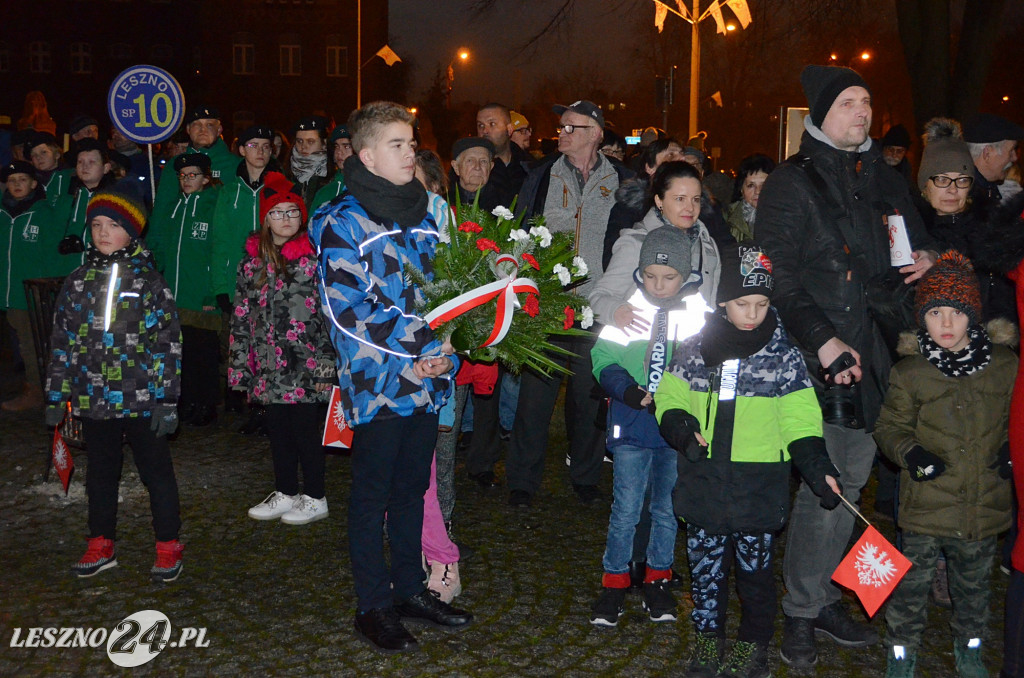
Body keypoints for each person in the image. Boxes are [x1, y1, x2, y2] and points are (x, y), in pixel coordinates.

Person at [756, 64, 936, 669]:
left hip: (882, 354)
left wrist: (927, 253)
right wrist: (824, 341)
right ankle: (801, 614)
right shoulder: (790, 183)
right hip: (821, 360)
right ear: (821, 114)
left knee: (855, 483)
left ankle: (830, 594)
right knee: (826, 487)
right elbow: (773, 272)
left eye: (868, 100)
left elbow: (908, 239)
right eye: (851, 102)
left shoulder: (881, 176)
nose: (864, 112)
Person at [309, 101, 471, 653]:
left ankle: (409, 589)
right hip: (377, 384)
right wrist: (424, 343)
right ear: (367, 154)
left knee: (412, 489)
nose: (411, 153)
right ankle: (373, 605)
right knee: (372, 495)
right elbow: (347, 309)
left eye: (411, 142)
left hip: (430, 379)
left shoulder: (430, 212)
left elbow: (452, 294)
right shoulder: (341, 220)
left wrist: (448, 352)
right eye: (398, 145)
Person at [657, 243, 842, 678]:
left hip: (757, 486)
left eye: (762, 304)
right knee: (705, 576)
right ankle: (707, 645)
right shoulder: (694, 347)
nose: (753, 313)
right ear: (723, 302)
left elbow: (799, 417)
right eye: (743, 304)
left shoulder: (784, 356)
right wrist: (681, 426)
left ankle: (750, 647)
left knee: (755, 580)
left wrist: (815, 464)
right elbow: (669, 394)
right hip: (704, 479)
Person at [873, 252, 1015, 677]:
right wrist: (911, 454)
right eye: (936, 313)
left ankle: (970, 649)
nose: (947, 324)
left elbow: (1017, 420)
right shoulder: (912, 372)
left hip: (982, 505)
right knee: (909, 589)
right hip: (926, 508)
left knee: (974, 590)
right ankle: (901, 653)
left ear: (973, 316)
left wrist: (1011, 454)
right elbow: (890, 427)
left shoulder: (1005, 366)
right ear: (923, 319)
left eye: (957, 312)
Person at [43, 186, 184, 583]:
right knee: (101, 472)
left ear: (133, 232)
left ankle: (168, 543)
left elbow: (168, 344)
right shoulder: (76, 282)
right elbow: (62, 341)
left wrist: (167, 399)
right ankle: (101, 540)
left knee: (155, 471)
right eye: (96, 225)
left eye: (114, 225)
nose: (103, 232)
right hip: (94, 398)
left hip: (141, 398)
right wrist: (57, 394)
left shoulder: (149, 282)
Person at [509, 99, 635, 507]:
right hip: (546, 305)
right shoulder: (541, 174)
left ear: (596, 133)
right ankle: (522, 483)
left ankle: (585, 477)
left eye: (572, 127)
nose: (561, 133)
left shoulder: (624, 180)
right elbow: (521, 230)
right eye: (560, 127)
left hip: (598, 305)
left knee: (588, 400)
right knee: (534, 401)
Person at [588, 226, 710, 628]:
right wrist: (626, 391)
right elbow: (603, 359)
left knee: (666, 509)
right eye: (651, 276)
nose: (658, 286)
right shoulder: (628, 309)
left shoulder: (698, 316)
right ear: (640, 273)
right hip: (633, 426)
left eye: (669, 277)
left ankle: (658, 577)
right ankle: (615, 581)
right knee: (625, 508)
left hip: (674, 433)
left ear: (686, 275)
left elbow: (707, 371)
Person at [229, 172, 335, 525]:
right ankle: (286, 490)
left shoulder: (314, 262)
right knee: (278, 433)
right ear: (265, 219)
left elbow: (328, 317)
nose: (286, 219)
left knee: (307, 433)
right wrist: (241, 366)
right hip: (268, 366)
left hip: (304, 366)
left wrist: (325, 367)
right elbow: (242, 316)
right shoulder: (252, 264)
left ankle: (316, 495)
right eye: (278, 212)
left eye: (293, 212)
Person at [590, 161, 720, 333]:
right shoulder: (637, 243)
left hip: (692, 351)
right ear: (659, 200)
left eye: (695, 199)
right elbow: (598, 297)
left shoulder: (706, 243)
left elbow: (712, 302)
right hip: (642, 349)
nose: (690, 208)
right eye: (680, 199)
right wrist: (616, 311)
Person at [146, 153, 223, 427]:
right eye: (183, 175)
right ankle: (187, 400)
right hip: (174, 296)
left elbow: (219, 251)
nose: (188, 180)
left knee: (204, 353)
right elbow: (162, 249)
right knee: (181, 354)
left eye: (193, 175)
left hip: (201, 295)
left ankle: (207, 403)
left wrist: (214, 292)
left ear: (205, 178)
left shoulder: (214, 206)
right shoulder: (172, 209)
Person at [916, 117, 1015, 324]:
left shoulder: (992, 230)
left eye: (961, 180)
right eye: (942, 180)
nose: (952, 189)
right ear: (926, 185)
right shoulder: (913, 235)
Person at [0, 160, 63, 411]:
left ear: (34, 184)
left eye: (22, 180)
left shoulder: (44, 213)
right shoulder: (2, 214)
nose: (17, 184)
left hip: (27, 293)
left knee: (31, 344)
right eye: (12, 180)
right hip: (5, 291)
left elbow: (52, 253)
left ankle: (37, 391)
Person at [602, 138, 685, 270]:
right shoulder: (630, 207)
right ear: (650, 168)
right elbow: (613, 258)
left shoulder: (701, 206)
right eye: (671, 155)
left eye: (682, 154)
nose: (681, 159)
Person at [964, 113, 1023, 208]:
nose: (1014, 157)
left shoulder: (986, 191)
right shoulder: (959, 200)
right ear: (987, 154)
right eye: (1011, 150)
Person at [476, 103, 529, 207]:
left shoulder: (529, 167)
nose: (485, 131)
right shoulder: (469, 167)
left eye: (492, 124)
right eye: (480, 125)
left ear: (509, 129)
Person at [725, 154, 775, 242]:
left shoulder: (786, 219)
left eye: (764, 185)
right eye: (751, 185)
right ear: (741, 189)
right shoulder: (726, 220)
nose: (758, 191)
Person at [289, 115, 330, 208]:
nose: (304, 146)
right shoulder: (287, 175)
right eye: (299, 141)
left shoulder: (332, 176)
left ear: (324, 143)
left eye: (310, 141)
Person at [310, 125, 352, 213]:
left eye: (347, 146)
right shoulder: (324, 192)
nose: (340, 152)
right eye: (336, 146)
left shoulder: (369, 187)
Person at [448, 137, 497, 209]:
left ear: (491, 167)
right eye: (470, 161)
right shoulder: (443, 203)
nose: (477, 167)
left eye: (483, 161)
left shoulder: (504, 203)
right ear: (456, 167)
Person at [25, 131, 72, 205]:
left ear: (57, 154)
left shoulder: (71, 177)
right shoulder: (28, 181)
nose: (38, 157)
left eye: (43, 152)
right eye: (34, 155)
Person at [880, 124, 914, 193]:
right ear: (883, 149)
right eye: (891, 149)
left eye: (899, 151)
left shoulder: (906, 171)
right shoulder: (871, 168)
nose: (894, 155)